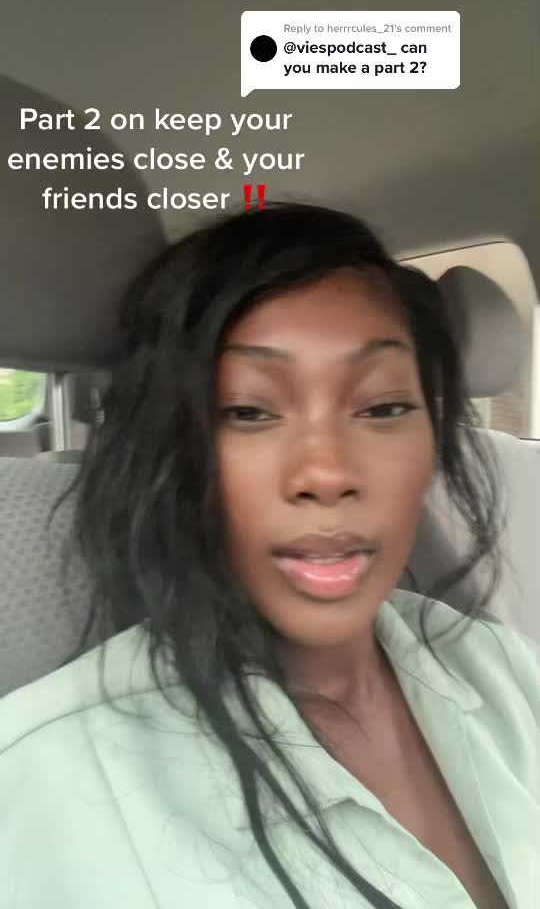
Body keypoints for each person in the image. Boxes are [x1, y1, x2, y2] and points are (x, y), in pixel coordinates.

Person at [1, 203, 538, 909]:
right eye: (247, 411)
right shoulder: (38, 782)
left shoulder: (501, 665)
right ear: (171, 452)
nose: (327, 473)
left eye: (383, 407)